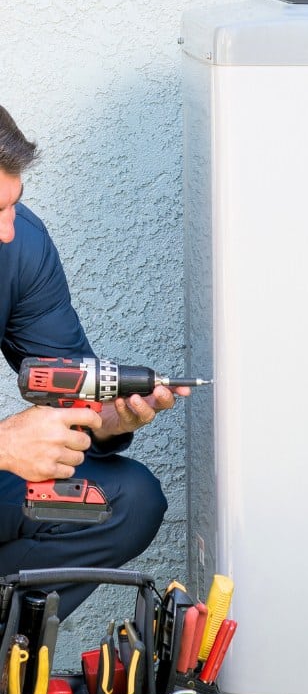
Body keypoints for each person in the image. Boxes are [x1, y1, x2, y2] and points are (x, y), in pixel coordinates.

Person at [0, 104, 182, 619]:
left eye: (12, 205)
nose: (9, 230)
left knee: (125, 501)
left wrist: (105, 417)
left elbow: (68, 379)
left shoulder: (19, 246)